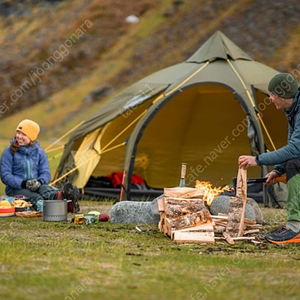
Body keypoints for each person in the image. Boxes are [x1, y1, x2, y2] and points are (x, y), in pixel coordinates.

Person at [238, 72, 300, 244]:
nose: (270, 98)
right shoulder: (293, 109)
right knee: (291, 163)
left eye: (273, 94)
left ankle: (295, 227)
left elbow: (295, 149)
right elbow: (293, 144)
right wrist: (277, 170)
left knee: (295, 165)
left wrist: (257, 160)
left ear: (283, 96)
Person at [0, 119, 80, 213]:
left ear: (31, 137)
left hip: (36, 185)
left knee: (47, 191)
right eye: (18, 132)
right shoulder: (8, 152)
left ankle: (65, 200)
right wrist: (24, 183)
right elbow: (5, 175)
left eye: (23, 134)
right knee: (36, 197)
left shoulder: (40, 152)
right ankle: (55, 206)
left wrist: (39, 181)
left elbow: (45, 173)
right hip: (16, 189)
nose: (19, 136)